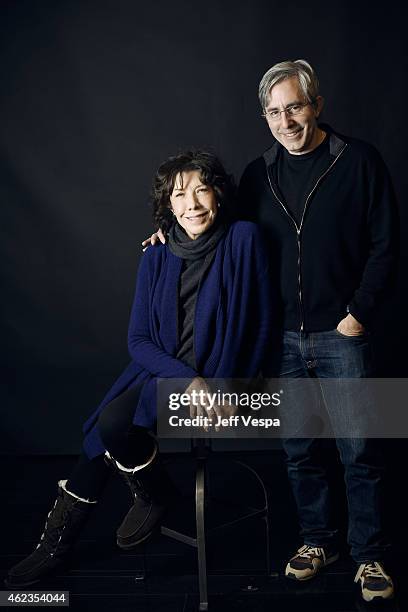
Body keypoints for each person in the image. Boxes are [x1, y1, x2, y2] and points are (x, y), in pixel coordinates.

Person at [6, 150, 272, 589]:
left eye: (201, 190)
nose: (192, 204)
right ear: (168, 206)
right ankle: (67, 540)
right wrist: (188, 378)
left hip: (223, 379)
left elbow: (262, 321)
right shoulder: (156, 255)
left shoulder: (244, 239)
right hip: (170, 375)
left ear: (218, 195)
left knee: (111, 424)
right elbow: (138, 341)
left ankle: (147, 497)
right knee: (105, 429)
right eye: (179, 195)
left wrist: (233, 385)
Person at [238, 59, 398, 603]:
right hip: (282, 339)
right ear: (265, 117)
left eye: (295, 107)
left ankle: (370, 554)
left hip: (344, 332)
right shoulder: (256, 174)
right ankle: (316, 542)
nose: (286, 121)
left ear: (317, 105)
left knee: (363, 451)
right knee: (300, 451)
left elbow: (387, 246)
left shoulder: (359, 161)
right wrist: (165, 235)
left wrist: (357, 314)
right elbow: (220, 235)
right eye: (274, 112)